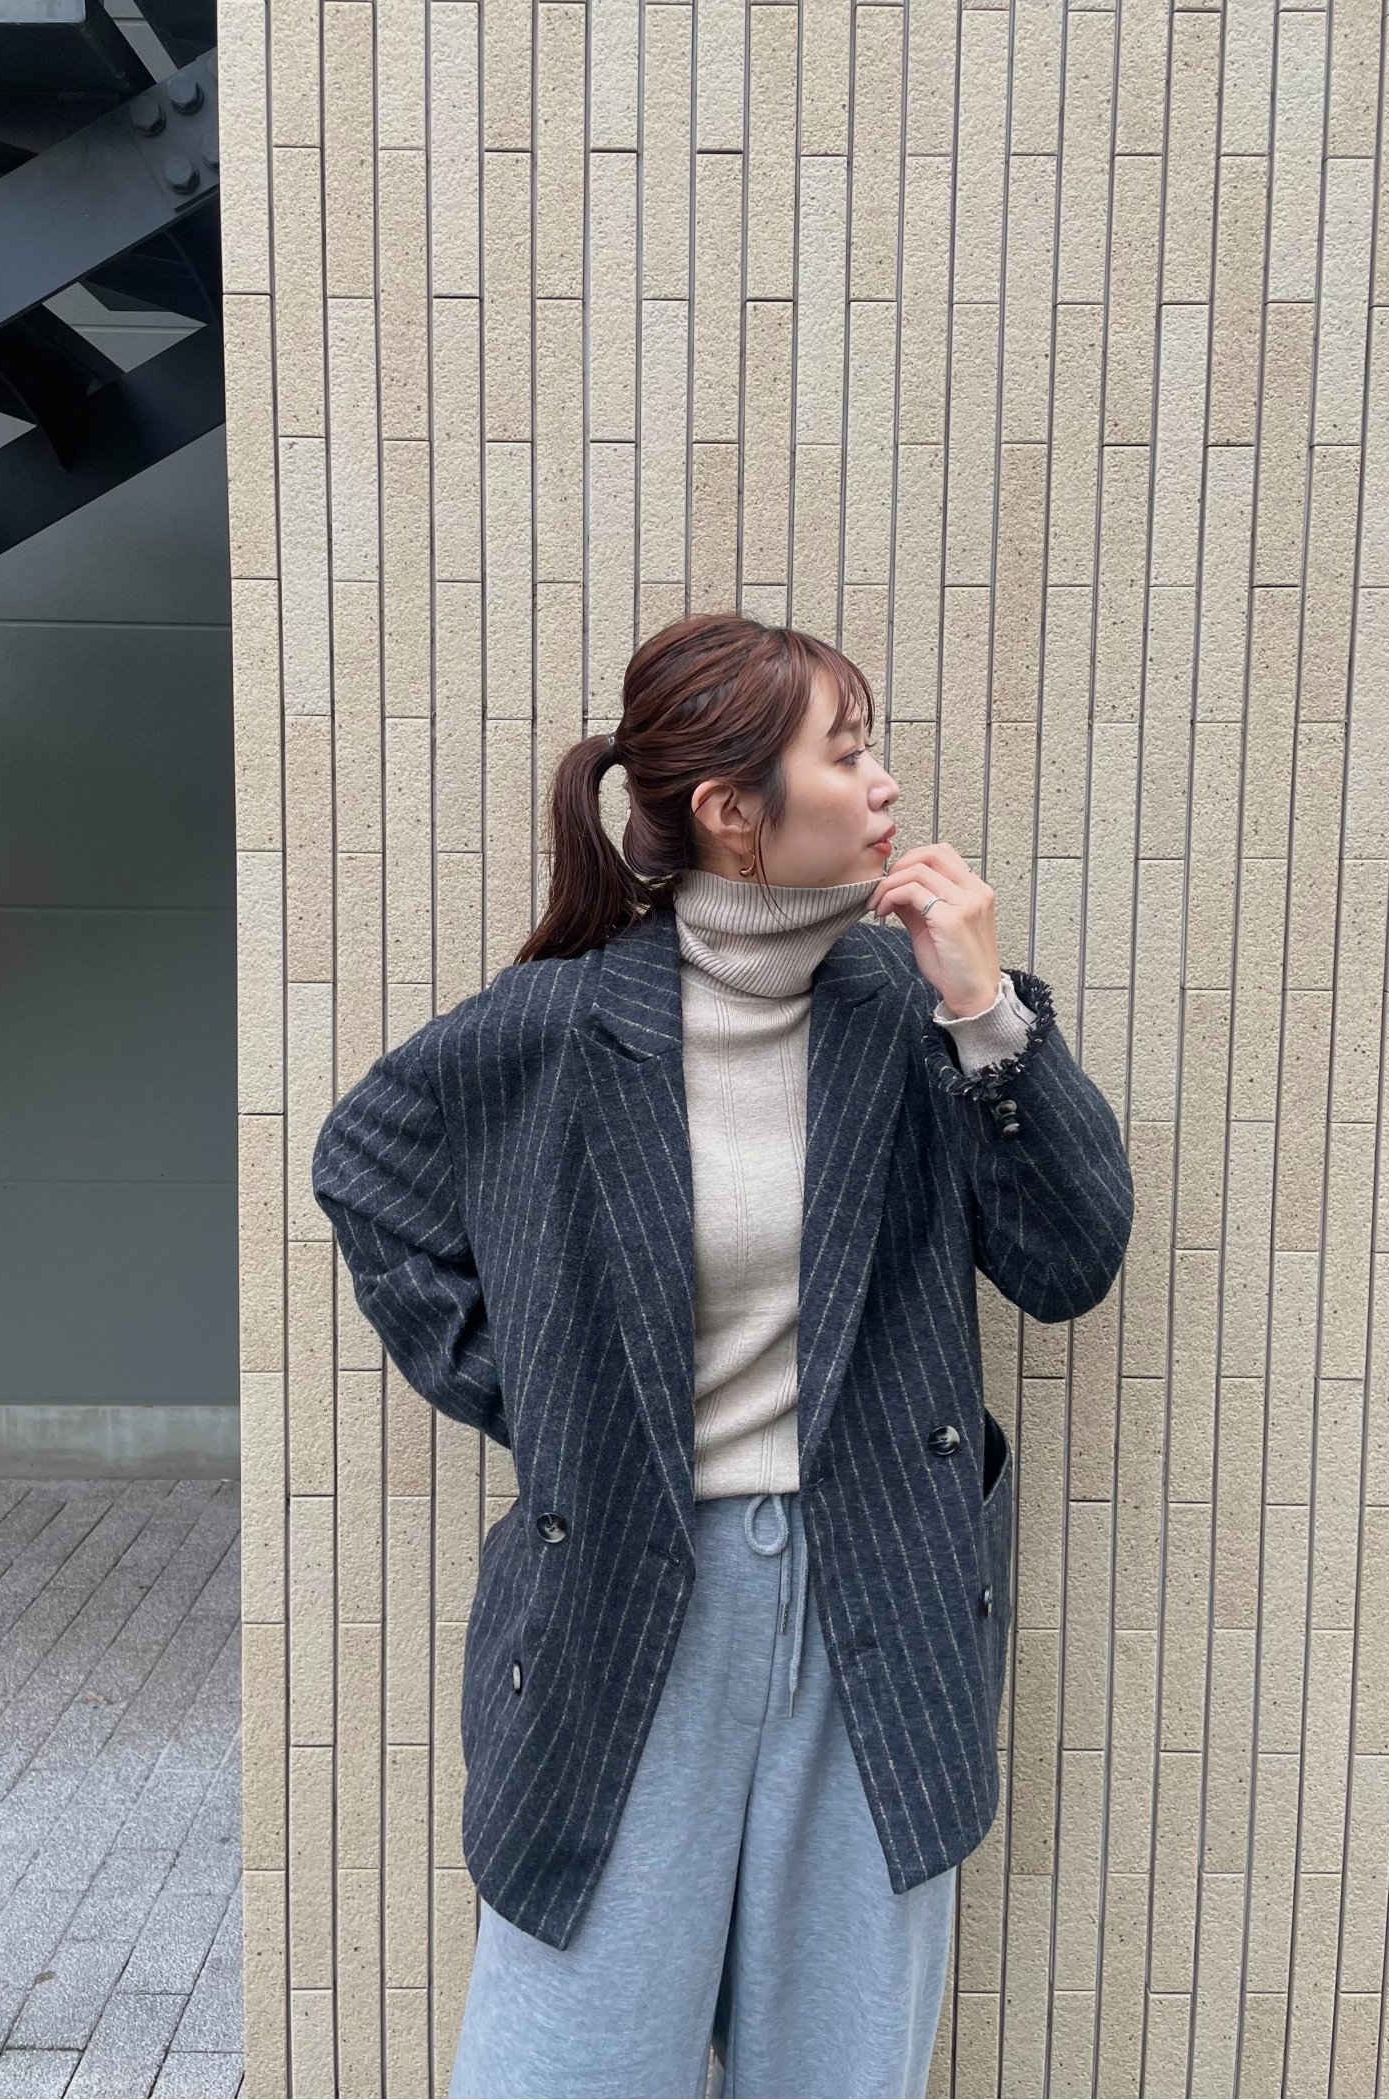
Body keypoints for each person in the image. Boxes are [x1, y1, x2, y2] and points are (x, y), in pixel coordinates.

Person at [310, 612, 1134, 2099]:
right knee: (561, 2067)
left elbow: (1069, 1263)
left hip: (877, 1599)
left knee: (835, 2070)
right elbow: (365, 1168)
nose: (885, 784)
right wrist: (554, 1402)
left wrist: (985, 1010)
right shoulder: (559, 1026)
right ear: (731, 811)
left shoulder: (917, 1016)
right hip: (628, 1598)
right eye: (848, 753)